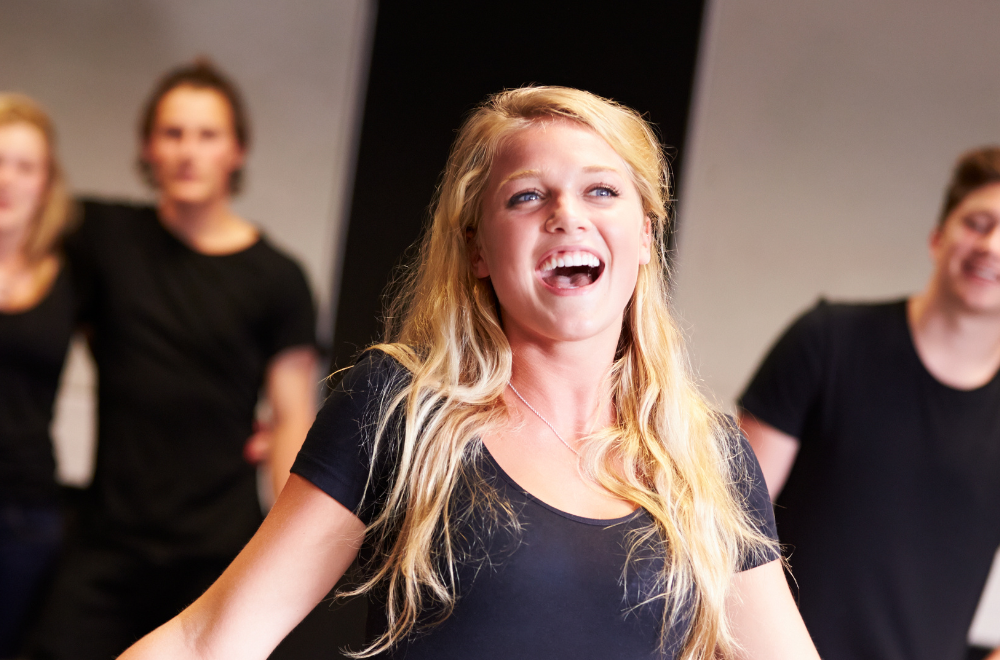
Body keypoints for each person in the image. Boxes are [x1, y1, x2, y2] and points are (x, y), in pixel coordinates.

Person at [116, 86, 819, 660]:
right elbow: (208, 643)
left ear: (644, 235)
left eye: (602, 191)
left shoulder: (709, 462)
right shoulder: (402, 412)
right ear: (479, 249)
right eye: (526, 197)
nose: (566, 216)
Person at [30, 61, 319, 659]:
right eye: (173, 133)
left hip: (218, 553)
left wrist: (287, 555)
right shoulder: (102, 238)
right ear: (148, 148)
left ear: (236, 151)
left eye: (207, 135)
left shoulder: (278, 278)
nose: (189, 151)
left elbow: (293, 418)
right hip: (109, 543)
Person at [739, 146, 1000, 660]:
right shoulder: (828, 341)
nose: (992, 246)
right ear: (937, 236)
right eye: (978, 222)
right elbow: (724, 528)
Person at [0, 94, 76, 659]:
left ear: (46, 181)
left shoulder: (72, 277)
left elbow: (144, 360)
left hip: (25, 513)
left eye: (24, 166)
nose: (6, 179)